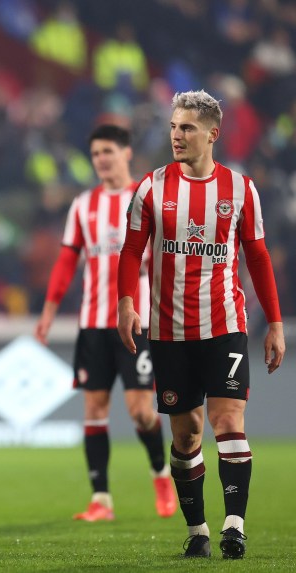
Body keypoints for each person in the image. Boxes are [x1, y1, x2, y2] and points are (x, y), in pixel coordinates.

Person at [118, 90, 285, 559]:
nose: (176, 135)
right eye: (174, 126)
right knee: (187, 434)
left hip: (225, 326)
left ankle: (234, 525)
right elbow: (131, 251)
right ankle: (198, 531)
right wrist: (126, 303)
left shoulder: (240, 189)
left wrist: (274, 322)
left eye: (187, 127)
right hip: (168, 332)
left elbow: (258, 255)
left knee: (228, 420)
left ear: (213, 134)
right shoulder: (151, 187)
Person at [35, 124, 177, 522]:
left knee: (142, 412)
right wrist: (48, 313)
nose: (101, 159)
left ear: (126, 153)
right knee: (94, 409)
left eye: (108, 151)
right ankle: (101, 500)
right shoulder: (83, 205)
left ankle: (160, 475)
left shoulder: (147, 198)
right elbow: (67, 262)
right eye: (96, 153)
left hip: (137, 321)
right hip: (93, 323)